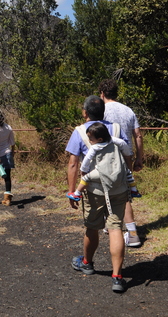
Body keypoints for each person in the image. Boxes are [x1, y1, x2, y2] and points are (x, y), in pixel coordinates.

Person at [65, 95, 131, 293]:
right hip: (118, 188)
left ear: (85, 113)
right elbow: (127, 154)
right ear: (103, 112)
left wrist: (72, 191)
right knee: (116, 228)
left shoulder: (80, 131)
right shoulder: (116, 129)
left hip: (93, 189)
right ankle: (117, 276)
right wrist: (127, 179)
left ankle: (87, 262)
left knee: (92, 226)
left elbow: (73, 163)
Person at [98, 78, 145, 247]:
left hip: (106, 157)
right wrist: (139, 157)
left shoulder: (101, 110)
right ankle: (127, 230)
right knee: (124, 194)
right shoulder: (128, 110)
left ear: (102, 93)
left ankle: (126, 232)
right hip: (126, 157)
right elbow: (138, 135)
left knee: (104, 190)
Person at [68, 122, 140, 202]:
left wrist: (83, 170)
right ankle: (133, 189)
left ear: (99, 140)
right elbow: (124, 145)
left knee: (86, 178)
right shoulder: (115, 141)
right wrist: (128, 154)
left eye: (90, 139)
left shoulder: (95, 147)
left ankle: (77, 193)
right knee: (129, 174)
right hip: (117, 169)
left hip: (101, 172)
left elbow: (87, 159)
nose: (89, 140)